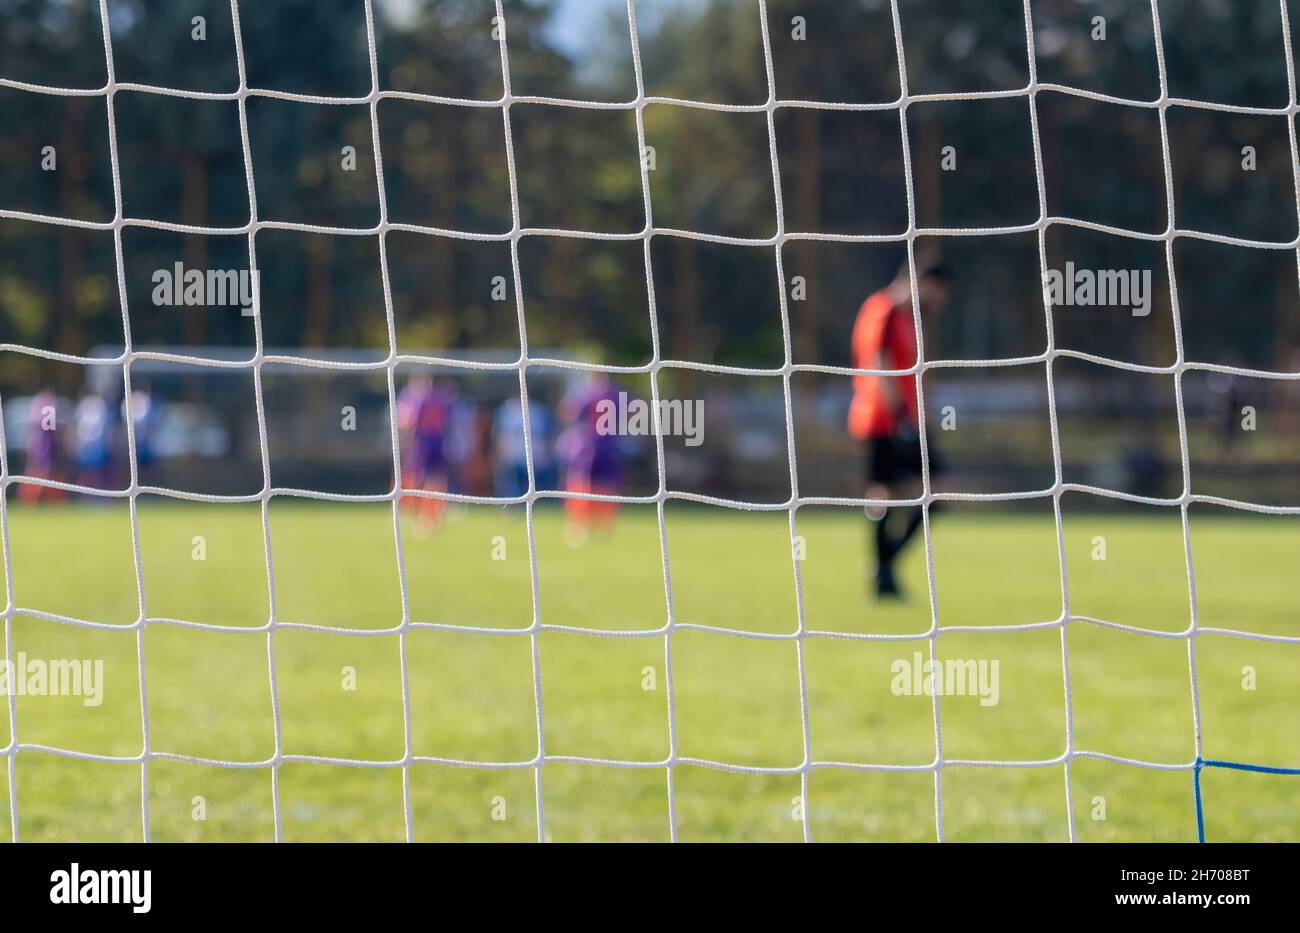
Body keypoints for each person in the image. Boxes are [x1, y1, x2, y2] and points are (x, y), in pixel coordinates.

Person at [848, 255, 951, 599]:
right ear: (919, 281)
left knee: (929, 494)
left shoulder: (908, 318)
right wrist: (902, 418)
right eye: (936, 292)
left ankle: (884, 568)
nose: (938, 301)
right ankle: (883, 571)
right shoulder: (885, 310)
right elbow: (879, 365)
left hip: (905, 419)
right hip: (884, 421)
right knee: (886, 495)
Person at [556, 374, 624, 545]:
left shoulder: (586, 395)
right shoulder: (614, 396)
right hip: (606, 445)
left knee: (584, 483)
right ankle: (598, 524)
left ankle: (581, 523)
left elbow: (569, 412)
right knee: (599, 484)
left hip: (589, 446)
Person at [396, 373, 452, 534]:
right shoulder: (439, 400)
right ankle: (430, 514)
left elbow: (411, 423)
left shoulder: (420, 401)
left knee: (422, 479)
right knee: (433, 479)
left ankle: (425, 515)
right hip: (436, 442)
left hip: (425, 444)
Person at [492, 395, 553, 499]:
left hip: (533, 457)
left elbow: (545, 435)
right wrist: (501, 453)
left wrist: (544, 454)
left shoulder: (537, 411)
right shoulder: (507, 410)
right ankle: (512, 509)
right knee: (512, 488)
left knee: (530, 488)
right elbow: (499, 434)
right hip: (512, 456)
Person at [19, 389, 65, 504]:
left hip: (45, 450)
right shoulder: (44, 412)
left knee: (49, 477)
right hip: (41, 451)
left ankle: (53, 502)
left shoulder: (47, 423)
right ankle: (28, 501)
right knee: (38, 476)